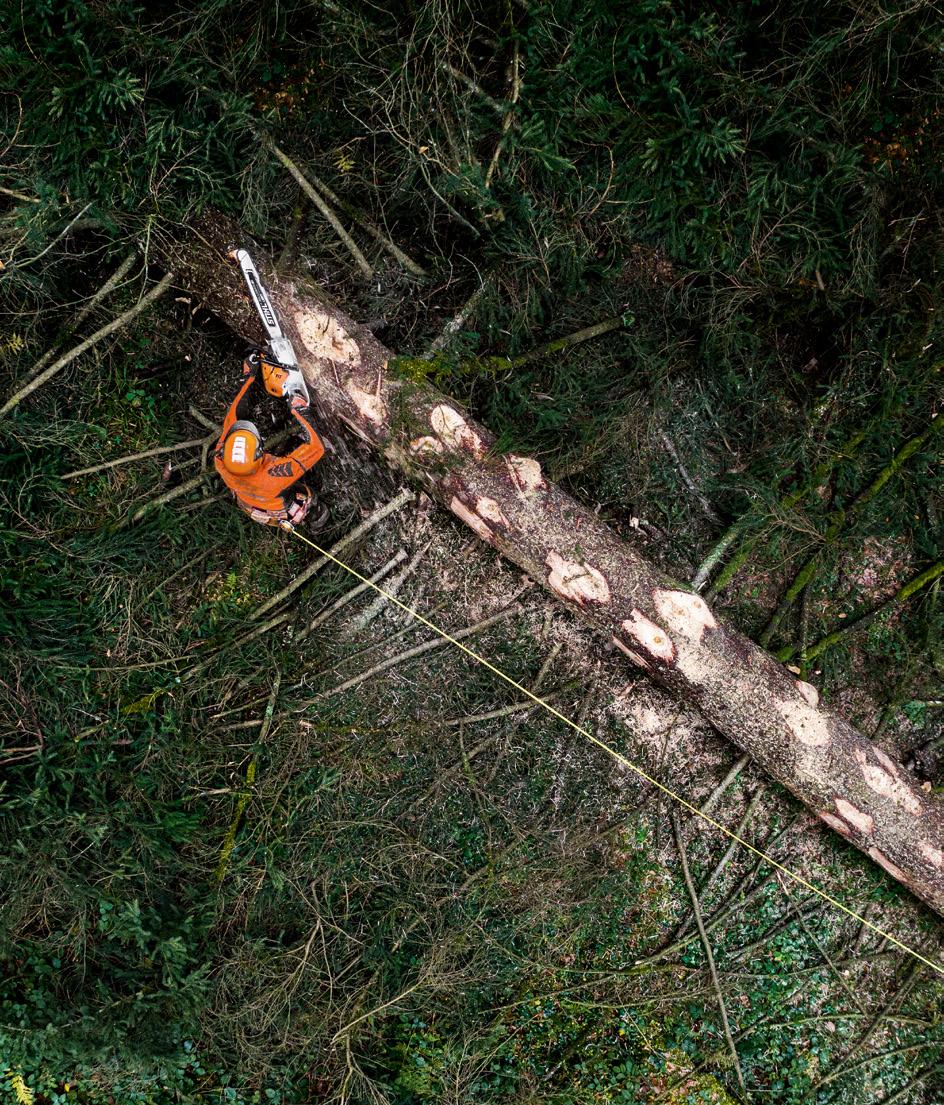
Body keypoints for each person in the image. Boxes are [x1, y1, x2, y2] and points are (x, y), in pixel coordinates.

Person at [214, 350, 328, 528]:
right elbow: (317, 447)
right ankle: (313, 513)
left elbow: (234, 416)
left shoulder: (221, 459)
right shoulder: (273, 477)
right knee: (302, 497)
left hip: (250, 499)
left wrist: (249, 375)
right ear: (258, 455)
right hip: (274, 507)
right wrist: (300, 411)